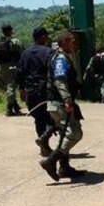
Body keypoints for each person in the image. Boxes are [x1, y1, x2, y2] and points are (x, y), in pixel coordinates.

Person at [39, 30, 86, 181]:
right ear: (64, 42)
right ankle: (50, 161)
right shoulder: (60, 59)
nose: (75, 44)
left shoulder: (60, 56)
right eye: (73, 41)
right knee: (75, 133)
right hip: (59, 103)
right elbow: (59, 80)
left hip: (54, 102)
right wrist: (67, 100)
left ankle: (64, 167)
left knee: (65, 134)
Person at [15, 26, 56, 156]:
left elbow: (19, 72)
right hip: (45, 90)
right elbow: (53, 72)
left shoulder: (25, 53)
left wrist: (21, 89)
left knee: (38, 118)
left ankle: (44, 145)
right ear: (43, 37)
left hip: (31, 90)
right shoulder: (49, 52)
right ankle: (44, 139)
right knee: (53, 117)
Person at [0, 25, 24, 116]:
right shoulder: (15, 41)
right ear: (11, 31)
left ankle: (15, 106)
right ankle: (9, 108)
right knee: (11, 87)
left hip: (1, 68)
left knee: (9, 86)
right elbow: (23, 53)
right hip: (13, 66)